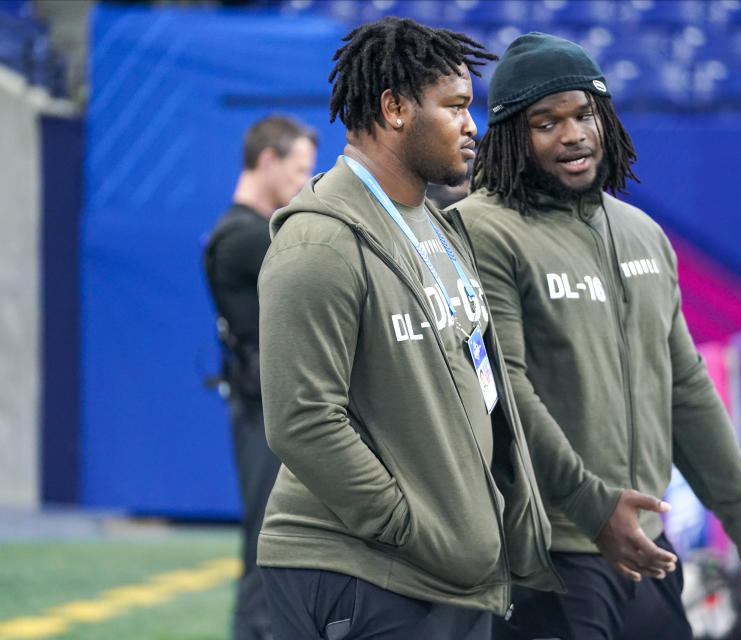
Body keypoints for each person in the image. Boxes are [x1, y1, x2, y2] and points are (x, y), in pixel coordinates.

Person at [255, 18, 659, 639]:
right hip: (366, 574)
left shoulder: (438, 228)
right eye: (456, 108)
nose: (473, 126)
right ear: (394, 108)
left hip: (451, 581)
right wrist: (417, 528)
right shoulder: (318, 241)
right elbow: (303, 419)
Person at [453, 32, 741, 640]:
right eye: (546, 122)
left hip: (646, 545)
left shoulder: (641, 232)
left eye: (584, 113)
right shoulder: (479, 230)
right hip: (546, 555)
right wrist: (594, 506)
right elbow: (501, 389)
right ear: (514, 136)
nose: (573, 134)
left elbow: (685, 386)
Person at [203, 114, 316, 640]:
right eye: (298, 170)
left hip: (270, 407)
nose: (302, 183)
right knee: (268, 543)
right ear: (267, 160)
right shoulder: (244, 237)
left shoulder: (251, 232)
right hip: (263, 411)